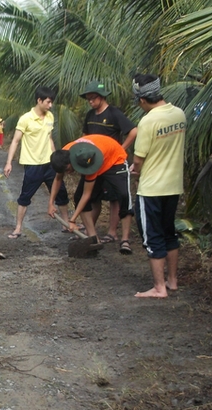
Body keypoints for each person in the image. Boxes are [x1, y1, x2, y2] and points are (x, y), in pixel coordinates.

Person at [131, 74, 186, 298]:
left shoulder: (148, 121)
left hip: (151, 189)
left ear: (142, 100)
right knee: (169, 233)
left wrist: (136, 173)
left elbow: (138, 160)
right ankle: (172, 282)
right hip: (173, 186)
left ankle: (158, 287)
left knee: (152, 237)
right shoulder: (179, 114)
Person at [48, 134, 134, 255]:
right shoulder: (64, 155)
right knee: (78, 197)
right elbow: (58, 179)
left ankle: (125, 240)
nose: (68, 173)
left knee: (124, 196)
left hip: (114, 159)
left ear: (71, 161)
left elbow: (86, 194)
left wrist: (72, 220)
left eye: (68, 170)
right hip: (96, 157)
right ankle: (93, 239)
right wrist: (51, 203)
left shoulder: (89, 161)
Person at [3, 86, 70, 238]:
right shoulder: (26, 119)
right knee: (25, 196)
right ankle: (18, 228)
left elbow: (50, 138)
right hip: (33, 165)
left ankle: (66, 224)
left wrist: (55, 158)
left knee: (61, 193)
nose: (50, 105)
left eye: (52, 102)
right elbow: (15, 141)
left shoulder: (50, 117)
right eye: (48, 102)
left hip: (50, 164)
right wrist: (9, 162)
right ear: (39, 100)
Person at [80, 81, 138, 243]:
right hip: (94, 164)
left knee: (116, 197)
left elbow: (133, 131)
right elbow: (85, 135)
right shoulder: (90, 115)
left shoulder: (114, 113)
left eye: (93, 98)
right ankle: (89, 231)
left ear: (102, 97)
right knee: (93, 197)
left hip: (112, 163)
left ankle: (113, 232)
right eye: (88, 99)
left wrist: (121, 149)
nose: (90, 102)